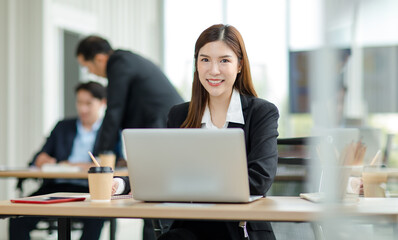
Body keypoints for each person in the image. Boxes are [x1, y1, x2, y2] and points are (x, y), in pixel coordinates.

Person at [115, 24, 279, 240]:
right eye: (205, 60)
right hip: (191, 226)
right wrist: (122, 184)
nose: (213, 70)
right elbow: (162, 172)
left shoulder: (261, 113)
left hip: (240, 228)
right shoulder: (179, 115)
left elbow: (259, 180)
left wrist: (186, 183)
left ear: (239, 65)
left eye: (224, 60)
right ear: (196, 65)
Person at [76, 36, 183, 240]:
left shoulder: (119, 64)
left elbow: (114, 111)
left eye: (86, 66)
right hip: (162, 127)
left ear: (99, 59)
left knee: (151, 193)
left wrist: (99, 155)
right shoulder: (128, 60)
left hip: (162, 127)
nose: (90, 73)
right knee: (151, 195)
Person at [9, 81, 121, 240]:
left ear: (103, 103)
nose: (83, 109)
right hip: (56, 189)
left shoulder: (110, 131)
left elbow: (114, 163)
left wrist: (71, 164)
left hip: (90, 191)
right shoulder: (63, 126)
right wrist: (42, 159)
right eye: (80, 102)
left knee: (96, 217)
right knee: (17, 220)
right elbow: (37, 158)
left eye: (88, 103)